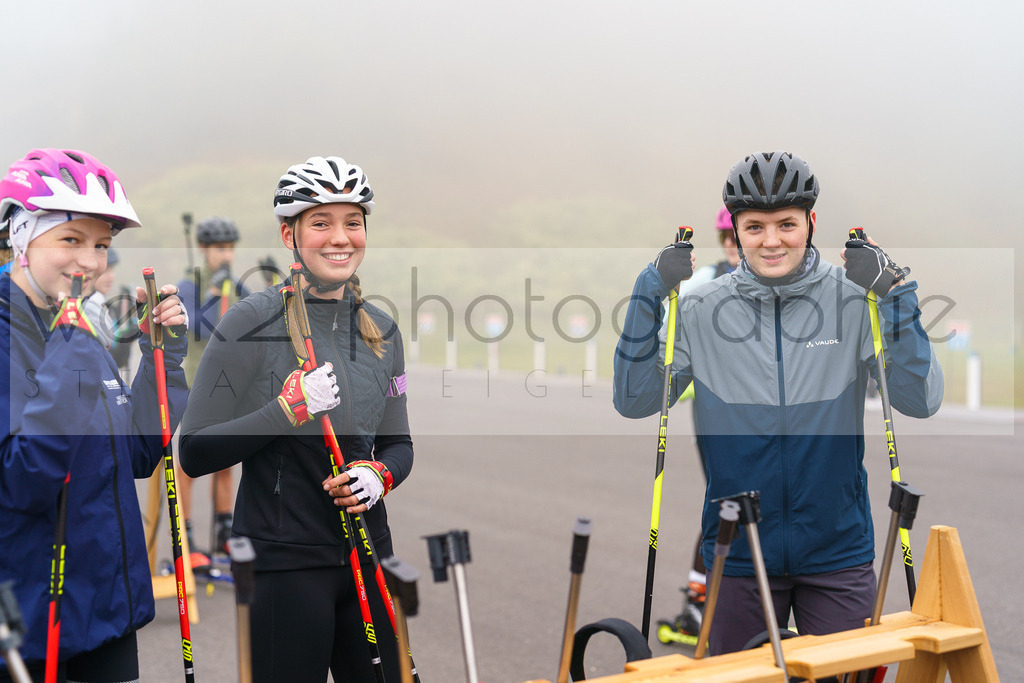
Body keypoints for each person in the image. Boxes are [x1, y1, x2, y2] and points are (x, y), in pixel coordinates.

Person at [613, 151, 943, 655]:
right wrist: (647, 292)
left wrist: (895, 293)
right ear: (736, 233)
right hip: (737, 556)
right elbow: (634, 399)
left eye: (786, 224)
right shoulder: (700, 309)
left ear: (811, 223)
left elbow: (919, 399)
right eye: (755, 227)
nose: (771, 241)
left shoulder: (856, 300)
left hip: (837, 553)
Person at [179, 156, 413, 682]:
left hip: (369, 553)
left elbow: (399, 445)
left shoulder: (382, 330)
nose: (340, 237)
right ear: (290, 234)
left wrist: (379, 475)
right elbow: (194, 451)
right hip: (284, 564)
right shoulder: (248, 321)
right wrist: (286, 410)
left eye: (353, 222)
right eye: (321, 223)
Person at [0, 148, 189, 682]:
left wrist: (162, 359)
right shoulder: (38, 336)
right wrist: (74, 353)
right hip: (33, 624)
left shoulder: (74, 326)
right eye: (70, 239)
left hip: (106, 612)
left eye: (102, 244)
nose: (89, 260)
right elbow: (22, 479)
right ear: (21, 237)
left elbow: (136, 454)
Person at [661, 205, 743, 640]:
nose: (732, 246)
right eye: (726, 238)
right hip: (714, 410)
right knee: (726, 500)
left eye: (737, 238)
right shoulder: (704, 281)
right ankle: (696, 602)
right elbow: (669, 334)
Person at [175, 216, 250, 559]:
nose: (226, 255)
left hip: (230, 385)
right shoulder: (189, 284)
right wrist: (213, 294)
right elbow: (199, 329)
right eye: (220, 248)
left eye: (230, 248)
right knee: (189, 465)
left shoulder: (236, 285)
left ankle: (223, 534)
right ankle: (186, 537)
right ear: (204, 249)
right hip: (196, 385)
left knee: (225, 462)